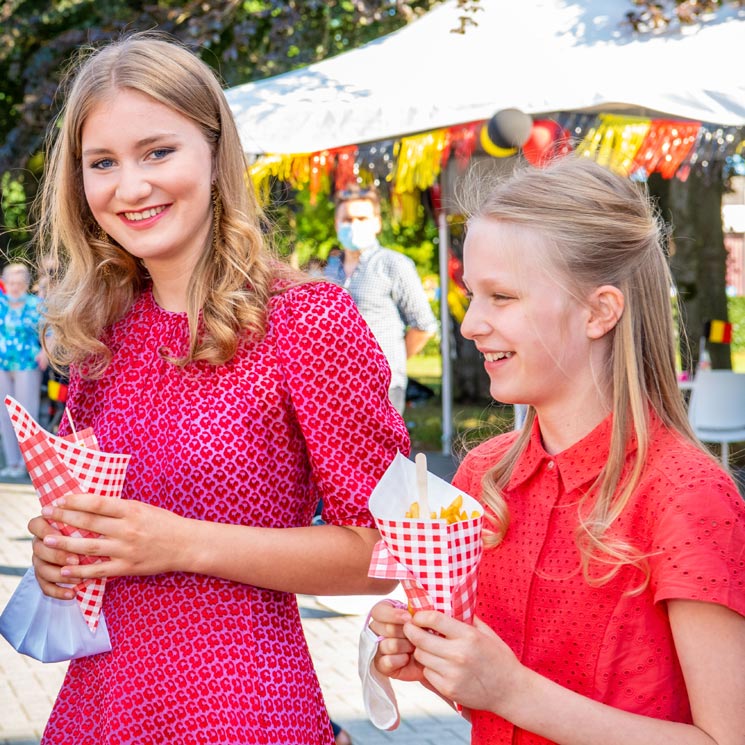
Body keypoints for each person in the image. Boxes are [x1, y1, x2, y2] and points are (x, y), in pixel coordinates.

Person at [26, 33, 409, 745]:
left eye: (157, 151)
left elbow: (387, 552)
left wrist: (182, 543)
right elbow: (98, 535)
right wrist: (60, 555)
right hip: (101, 706)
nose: (129, 186)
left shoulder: (306, 320)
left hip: (240, 706)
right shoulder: (99, 332)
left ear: (213, 152)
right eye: (101, 162)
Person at [368, 157, 745, 744]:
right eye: (474, 295)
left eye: (502, 296)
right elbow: (500, 706)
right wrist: (444, 664)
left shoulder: (684, 494)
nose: (470, 325)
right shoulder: (483, 477)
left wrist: (509, 688)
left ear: (599, 311)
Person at [326, 185, 438, 414]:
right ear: (337, 224)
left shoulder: (394, 265)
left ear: (376, 223)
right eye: (347, 219)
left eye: (362, 218)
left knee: (383, 451)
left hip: (381, 386)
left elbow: (424, 326)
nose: (354, 225)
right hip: (333, 386)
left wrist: (388, 359)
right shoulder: (328, 271)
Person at [0, 262, 48, 478]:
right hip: (2, 365)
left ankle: (28, 463)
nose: (15, 287)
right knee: (4, 415)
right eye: (11, 282)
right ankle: (12, 463)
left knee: (26, 414)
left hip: (27, 364)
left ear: (27, 284)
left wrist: (46, 352)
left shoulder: (36, 305)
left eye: (19, 283)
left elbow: (51, 332)